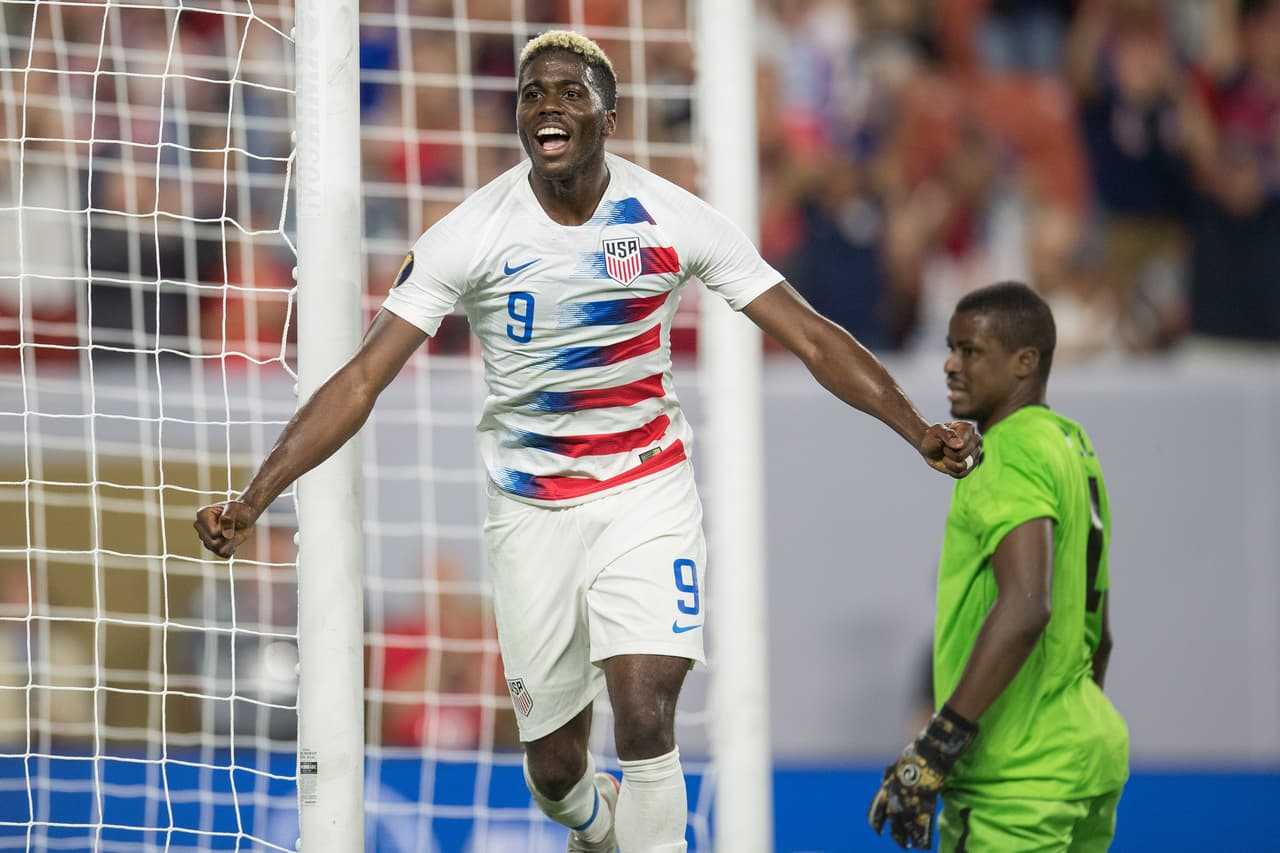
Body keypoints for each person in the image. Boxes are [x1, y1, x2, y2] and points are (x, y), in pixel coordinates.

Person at [194, 30, 980, 853]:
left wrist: (917, 427)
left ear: (611, 113)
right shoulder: (470, 234)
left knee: (647, 709)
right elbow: (359, 381)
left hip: (646, 492)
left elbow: (813, 338)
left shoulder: (671, 217)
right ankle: (596, 827)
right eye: (533, 94)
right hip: (532, 514)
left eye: (570, 92)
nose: (549, 107)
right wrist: (256, 496)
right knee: (555, 768)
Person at [867, 281, 1129, 851]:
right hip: (1086, 753)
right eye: (951, 347)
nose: (950, 365)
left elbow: (1028, 605)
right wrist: (1068, 736)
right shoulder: (1071, 444)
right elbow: (1099, 633)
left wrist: (937, 745)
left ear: (1024, 362)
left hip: (1016, 777)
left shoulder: (1005, 451)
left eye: (970, 351)